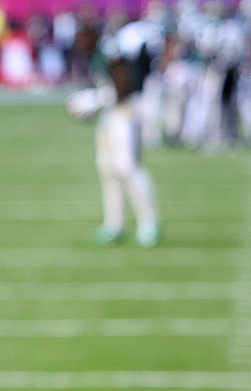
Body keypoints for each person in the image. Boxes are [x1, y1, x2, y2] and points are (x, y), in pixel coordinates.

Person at [66, 18, 161, 247]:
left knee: (127, 166)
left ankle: (150, 223)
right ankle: (114, 225)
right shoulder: (97, 53)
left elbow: (124, 85)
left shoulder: (108, 49)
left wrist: (96, 100)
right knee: (108, 169)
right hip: (113, 114)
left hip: (126, 112)